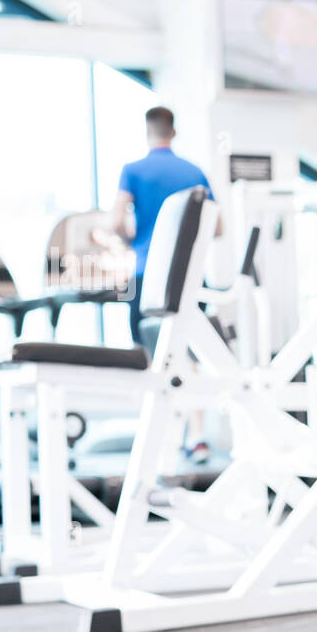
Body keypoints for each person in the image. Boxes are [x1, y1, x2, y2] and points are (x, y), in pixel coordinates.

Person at [110, 106, 220, 463]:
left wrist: (130, 240)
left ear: (148, 133)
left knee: (149, 356)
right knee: (191, 355)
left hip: (147, 277)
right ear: (173, 132)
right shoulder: (193, 172)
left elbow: (116, 221)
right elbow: (218, 228)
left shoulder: (133, 171)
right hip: (189, 276)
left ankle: (154, 438)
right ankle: (197, 436)